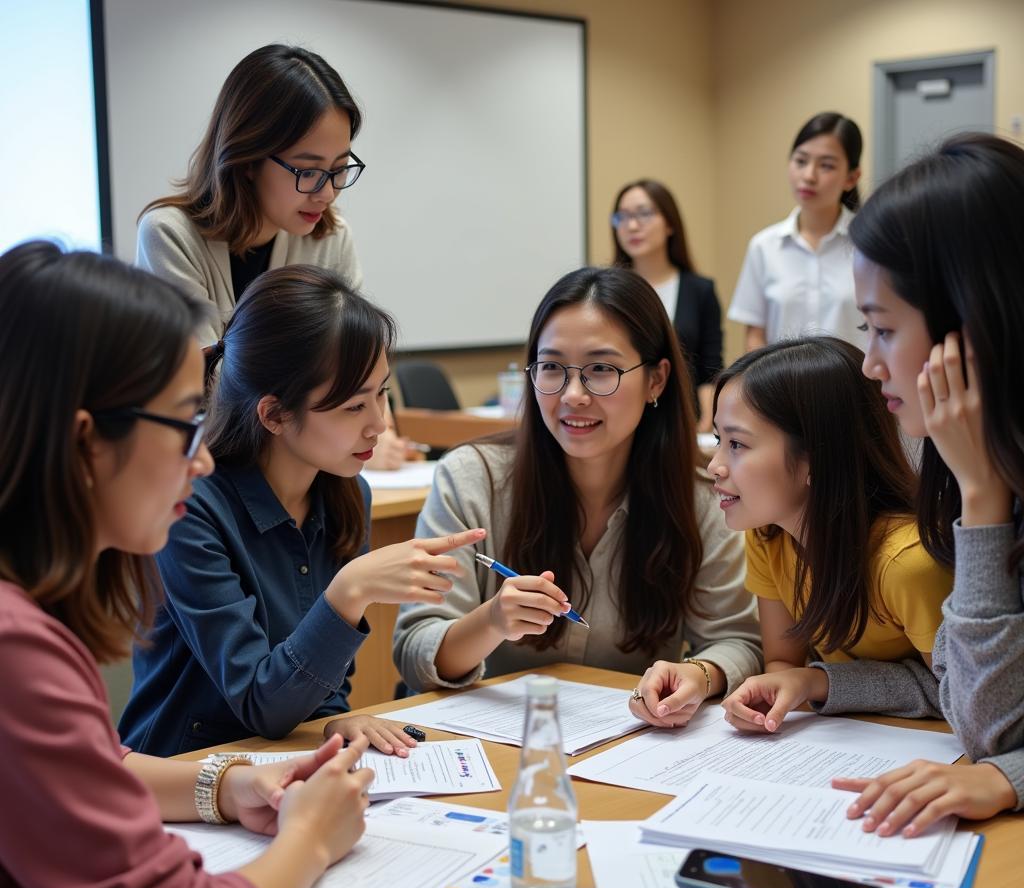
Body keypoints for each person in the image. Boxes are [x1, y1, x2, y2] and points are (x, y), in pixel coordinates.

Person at [0, 240, 376, 888]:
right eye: (182, 424)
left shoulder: (25, 612)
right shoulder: (15, 649)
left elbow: (90, 769)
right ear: (83, 442)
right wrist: (307, 842)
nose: (200, 461)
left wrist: (223, 784)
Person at [119, 265, 482, 757]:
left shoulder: (345, 491)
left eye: (382, 394)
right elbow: (259, 700)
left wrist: (335, 722)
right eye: (353, 407)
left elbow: (324, 686)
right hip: (185, 772)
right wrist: (350, 590)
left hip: (289, 760)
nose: (379, 425)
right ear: (273, 414)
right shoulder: (191, 506)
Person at [393, 266, 761, 726]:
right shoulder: (471, 480)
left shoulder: (701, 500)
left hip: (628, 746)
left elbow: (739, 641)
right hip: (491, 745)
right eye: (551, 368)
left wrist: (698, 673)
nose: (572, 395)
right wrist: (492, 622)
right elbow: (415, 650)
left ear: (656, 380)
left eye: (601, 370)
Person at [829, 133, 1024, 837]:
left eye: (883, 330)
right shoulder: (957, 465)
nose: (870, 366)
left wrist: (984, 498)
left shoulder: (979, 477)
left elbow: (992, 739)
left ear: (969, 331)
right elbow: (968, 705)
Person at [136, 42, 408, 469]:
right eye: (308, 171)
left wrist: (376, 435)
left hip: (306, 470)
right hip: (211, 469)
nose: (328, 191)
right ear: (247, 159)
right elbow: (213, 389)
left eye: (339, 168)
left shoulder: (329, 237)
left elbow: (360, 363)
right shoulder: (170, 235)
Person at [711, 338, 952, 735]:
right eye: (719, 439)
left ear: (816, 458)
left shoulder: (907, 562)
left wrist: (817, 681)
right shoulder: (768, 535)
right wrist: (788, 685)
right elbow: (783, 665)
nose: (715, 465)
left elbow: (954, 695)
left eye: (736, 443)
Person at [728, 112, 863, 351]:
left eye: (826, 166)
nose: (809, 176)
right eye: (801, 161)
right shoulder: (764, 246)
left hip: (856, 385)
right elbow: (755, 336)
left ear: (851, 178)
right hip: (781, 386)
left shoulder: (869, 243)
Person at [611, 178, 723, 431]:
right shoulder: (610, 291)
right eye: (622, 217)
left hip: (685, 421)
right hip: (622, 418)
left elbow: (710, 367)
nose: (632, 226)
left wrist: (709, 419)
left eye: (644, 214)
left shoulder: (700, 290)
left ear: (670, 223)